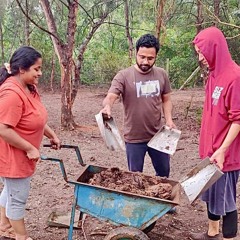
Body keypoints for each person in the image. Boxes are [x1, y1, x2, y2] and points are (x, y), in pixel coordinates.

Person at [0, 46, 61, 240]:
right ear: (22, 69)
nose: (40, 73)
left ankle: (3, 226)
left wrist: (51, 135)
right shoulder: (11, 94)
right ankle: (21, 236)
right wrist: (29, 148)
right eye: (37, 69)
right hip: (13, 157)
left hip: (23, 154)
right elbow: (3, 129)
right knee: (17, 198)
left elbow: (36, 117)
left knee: (10, 191)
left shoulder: (28, 88)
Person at [100, 33, 176, 178]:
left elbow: (166, 99)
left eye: (150, 58)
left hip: (158, 135)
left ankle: (159, 200)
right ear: (136, 53)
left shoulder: (162, 74)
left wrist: (169, 120)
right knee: (135, 176)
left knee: (164, 173)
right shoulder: (123, 76)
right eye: (142, 56)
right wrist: (107, 106)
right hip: (134, 137)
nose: (145, 61)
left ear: (156, 57)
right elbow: (110, 96)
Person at [190, 27, 240, 240]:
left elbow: (238, 119)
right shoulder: (213, 74)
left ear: (215, 49)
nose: (200, 57)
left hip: (225, 154)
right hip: (211, 150)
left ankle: (228, 237)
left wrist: (222, 149)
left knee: (226, 200)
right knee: (211, 194)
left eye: (202, 51)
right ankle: (212, 233)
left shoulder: (235, 77)